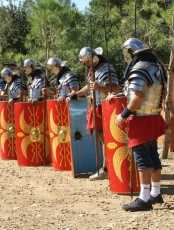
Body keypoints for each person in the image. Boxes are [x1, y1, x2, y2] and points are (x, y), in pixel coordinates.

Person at [110, 38, 168, 212]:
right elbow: (161, 93)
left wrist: (123, 114)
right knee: (152, 156)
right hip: (153, 116)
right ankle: (156, 193)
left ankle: (144, 198)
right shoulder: (156, 66)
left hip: (141, 119)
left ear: (130, 51)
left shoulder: (139, 68)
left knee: (142, 158)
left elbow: (138, 97)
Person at [67, 47, 120, 180]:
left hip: (105, 107)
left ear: (94, 57)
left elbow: (116, 88)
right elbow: (89, 87)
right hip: (95, 106)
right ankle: (106, 167)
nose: (86, 64)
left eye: (87, 61)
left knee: (106, 139)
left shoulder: (106, 69)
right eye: (85, 62)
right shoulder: (93, 70)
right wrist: (75, 95)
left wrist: (99, 88)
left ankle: (107, 168)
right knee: (102, 139)